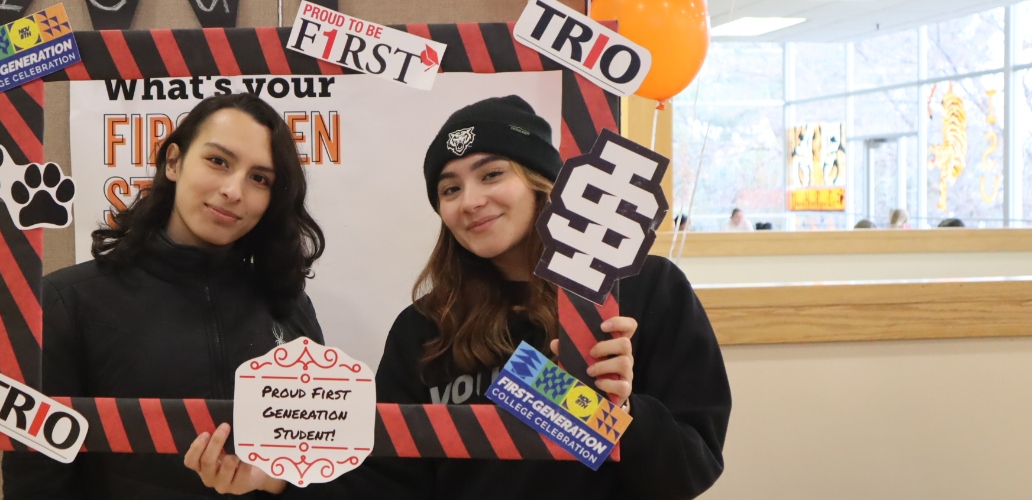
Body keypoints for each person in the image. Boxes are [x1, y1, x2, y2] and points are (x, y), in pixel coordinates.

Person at [187, 96, 731, 499]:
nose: (471, 201)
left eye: (492, 174)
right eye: (449, 188)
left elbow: (690, 470)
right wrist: (281, 481)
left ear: (543, 182)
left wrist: (617, 410)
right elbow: (384, 480)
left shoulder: (638, 291)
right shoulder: (424, 328)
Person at [2, 94, 326, 499]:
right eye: (218, 161)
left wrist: (272, 480)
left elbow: (318, 464)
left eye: (260, 179)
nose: (233, 190)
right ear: (173, 161)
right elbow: (36, 481)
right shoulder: (68, 303)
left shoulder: (289, 306)